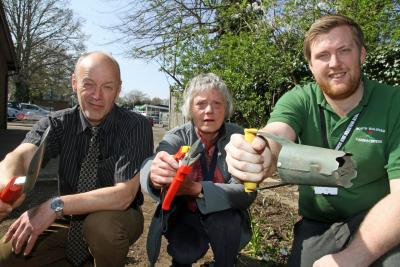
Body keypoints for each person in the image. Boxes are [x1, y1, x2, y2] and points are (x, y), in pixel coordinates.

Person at [225, 15, 400, 267]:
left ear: (361, 55)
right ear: (310, 65)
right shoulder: (300, 99)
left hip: (378, 219)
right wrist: (260, 154)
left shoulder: (393, 103)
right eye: (322, 55)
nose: (334, 63)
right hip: (317, 225)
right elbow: (276, 132)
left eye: (344, 50)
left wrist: (351, 259)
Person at [0, 51, 154, 267]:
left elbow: (123, 195)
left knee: (101, 228)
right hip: (68, 216)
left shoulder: (135, 126)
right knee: (7, 256)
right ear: (74, 82)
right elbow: (21, 155)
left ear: (118, 89)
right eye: (88, 84)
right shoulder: (57, 124)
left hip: (117, 215)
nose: (97, 96)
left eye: (107, 87)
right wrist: (7, 181)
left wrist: (53, 206)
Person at [141, 73, 256, 267]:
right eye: (201, 104)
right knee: (185, 252)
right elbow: (156, 159)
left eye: (217, 104)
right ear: (190, 110)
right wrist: (154, 173)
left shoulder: (239, 137)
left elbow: (246, 193)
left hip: (223, 213)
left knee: (226, 225)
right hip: (185, 212)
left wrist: (195, 188)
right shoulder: (177, 137)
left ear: (226, 108)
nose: (209, 111)